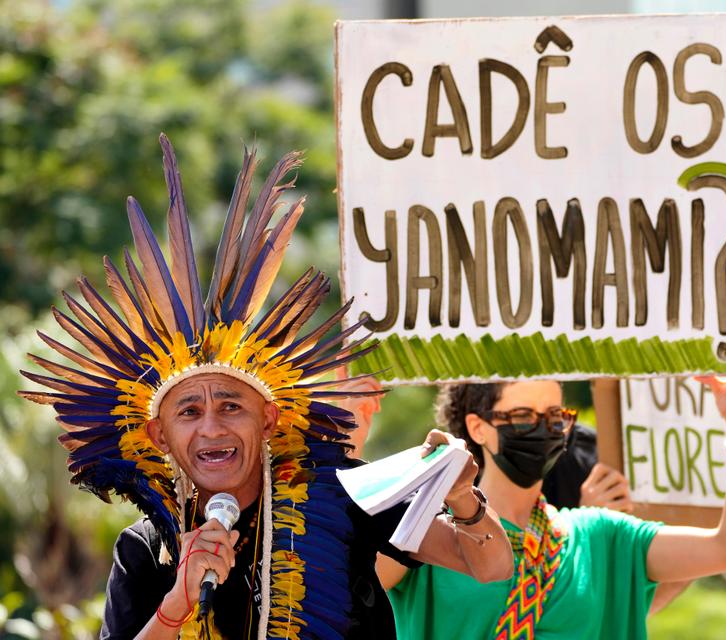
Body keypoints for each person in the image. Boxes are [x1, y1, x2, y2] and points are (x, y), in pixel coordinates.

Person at [19, 135, 512, 640]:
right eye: (188, 413)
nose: (212, 427)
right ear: (159, 435)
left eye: (232, 406)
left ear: (270, 418)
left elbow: (491, 565)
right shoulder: (145, 550)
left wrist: (463, 498)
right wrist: (178, 601)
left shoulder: (341, 496)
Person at [378, 332, 726, 639]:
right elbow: (343, 586)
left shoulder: (600, 536)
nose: (543, 427)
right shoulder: (429, 533)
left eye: (554, 415)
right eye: (524, 415)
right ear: (479, 427)